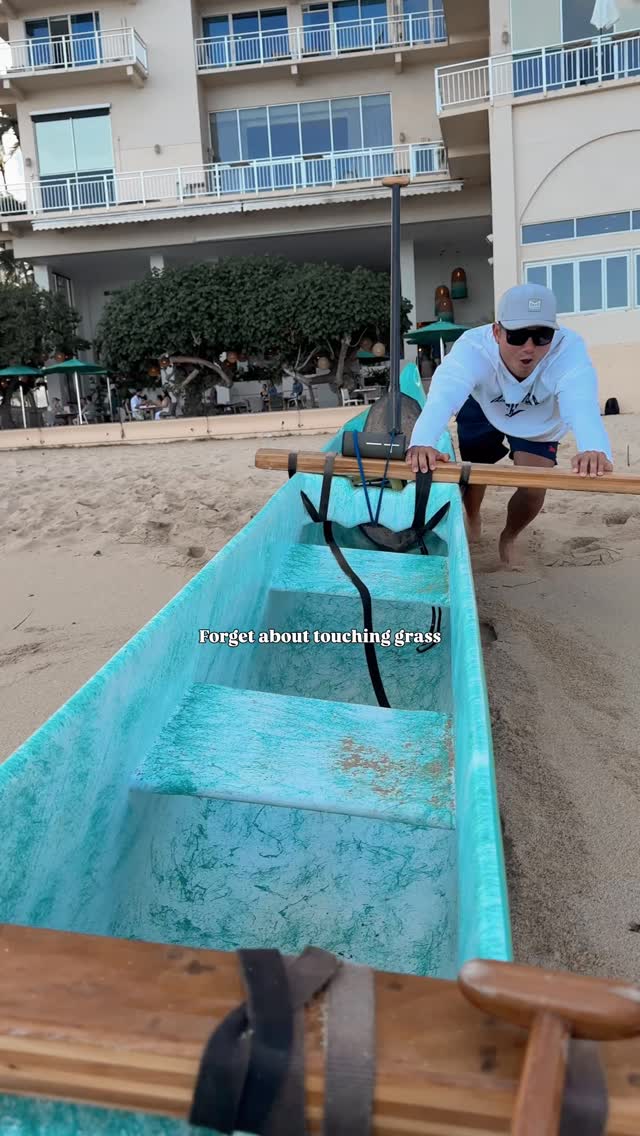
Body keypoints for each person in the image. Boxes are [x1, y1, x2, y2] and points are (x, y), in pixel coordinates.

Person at [406, 283, 613, 567]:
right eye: (517, 336)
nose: (529, 347)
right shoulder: (472, 347)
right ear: (496, 332)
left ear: (555, 333)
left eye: (542, 336)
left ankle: (509, 536)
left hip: (538, 417)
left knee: (533, 490)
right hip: (483, 403)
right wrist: (422, 442)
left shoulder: (569, 350)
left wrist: (593, 448)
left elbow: (581, 403)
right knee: (477, 469)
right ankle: (473, 514)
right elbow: (443, 397)